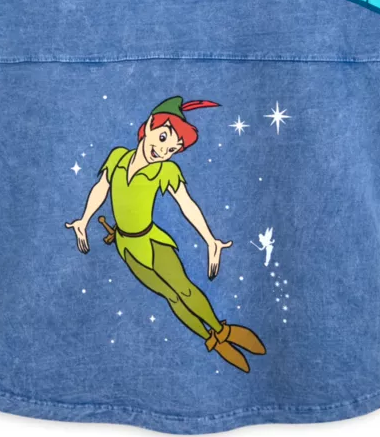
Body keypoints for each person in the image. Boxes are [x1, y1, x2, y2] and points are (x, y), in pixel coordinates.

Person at [66, 96, 266, 372]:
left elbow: (187, 204)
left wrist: (210, 240)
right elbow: (102, 188)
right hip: (126, 247)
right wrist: (84, 219)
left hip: (153, 242)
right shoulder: (118, 157)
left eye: (171, 149)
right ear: (150, 125)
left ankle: (223, 330)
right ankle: (211, 339)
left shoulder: (165, 170)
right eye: (162, 138)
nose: (162, 151)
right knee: (171, 297)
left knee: (184, 288)